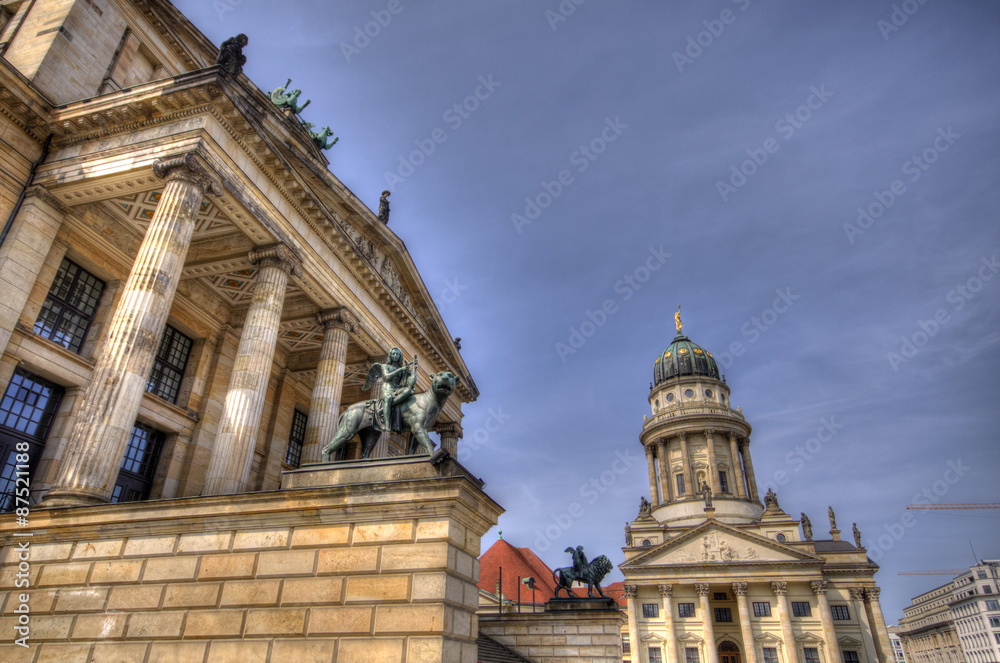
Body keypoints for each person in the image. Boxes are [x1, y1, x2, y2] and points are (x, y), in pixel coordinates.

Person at [363, 348, 416, 432]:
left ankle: (384, 409)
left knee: (408, 391)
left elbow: (407, 384)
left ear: (400, 356)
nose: (395, 356)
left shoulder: (401, 369)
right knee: (388, 398)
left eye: (397, 354)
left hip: (396, 390)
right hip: (387, 390)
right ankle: (387, 424)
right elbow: (386, 377)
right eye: (393, 354)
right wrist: (400, 370)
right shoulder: (385, 366)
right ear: (390, 355)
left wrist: (412, 371)